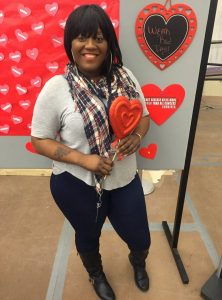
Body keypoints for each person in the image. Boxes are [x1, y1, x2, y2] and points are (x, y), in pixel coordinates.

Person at [31, 4, 151, 300]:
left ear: (108, 43)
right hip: (76, 184)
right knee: (88, 235)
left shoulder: (126, 78)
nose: (90, 45)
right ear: (70, 42)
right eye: (81, 38)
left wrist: (136, 136)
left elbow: (144, 117)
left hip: (123, 178)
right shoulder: (56, 88)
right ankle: (95, 274)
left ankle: (138, 261)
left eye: (98, 38)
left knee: (140, 237)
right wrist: (86, 160)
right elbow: (39, 140)